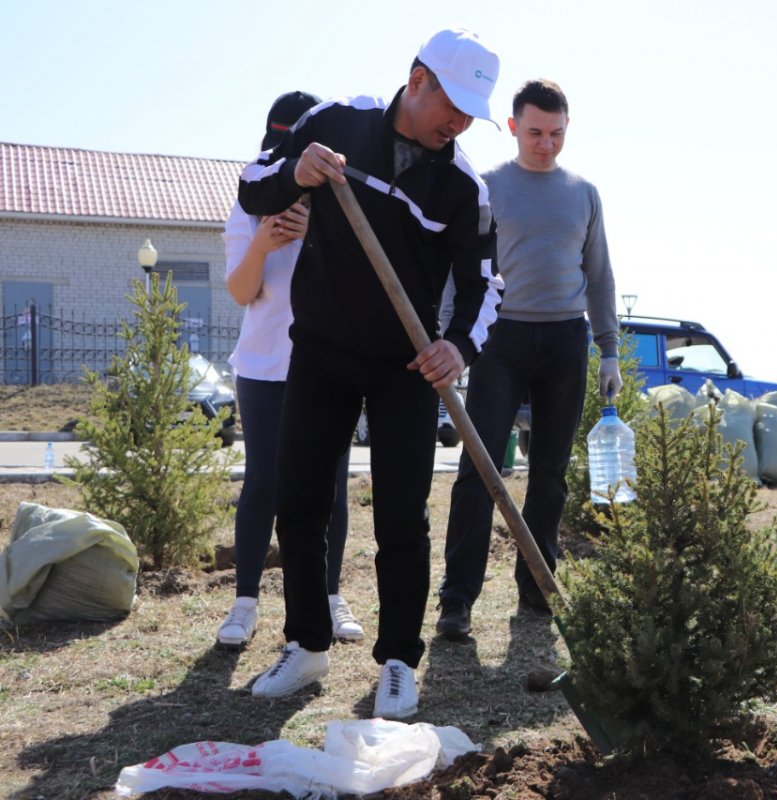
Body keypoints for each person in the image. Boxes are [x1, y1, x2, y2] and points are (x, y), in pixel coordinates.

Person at [236, 28, 504, 719]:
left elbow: (484, 286)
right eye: (454, 101)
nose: (461, 122)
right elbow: (252, 188)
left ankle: (396, 661)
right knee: (299, 500)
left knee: (401, 519)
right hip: (319, 351)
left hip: (406, 369)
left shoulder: (461, 185)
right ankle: (307, 643)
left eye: (474, 111)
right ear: (417, 79)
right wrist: (298, 172)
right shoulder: (332, 125)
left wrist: (458, 349)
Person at [435, 79, 620, 640]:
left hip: (565, 341)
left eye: (556, 134)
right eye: (535, 132)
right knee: (480, 470)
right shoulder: (486, 187)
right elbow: (458, 272)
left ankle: (537, 591)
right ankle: (457, 601)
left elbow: (600, 274)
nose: (546, 144)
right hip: (499, 339)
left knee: (551, 475)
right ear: (514, 127)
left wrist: (608, 350)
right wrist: (454, 340)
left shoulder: (584, 193)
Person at [217, 91, 363, 650]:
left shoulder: (338, 201)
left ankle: (329, 597)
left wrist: (315, 235)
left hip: (329, 363)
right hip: (262, 366)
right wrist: (264, 241)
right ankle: (245, 603)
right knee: (264, 484)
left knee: (332, 487)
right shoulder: (249, 202)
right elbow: (241, 291)